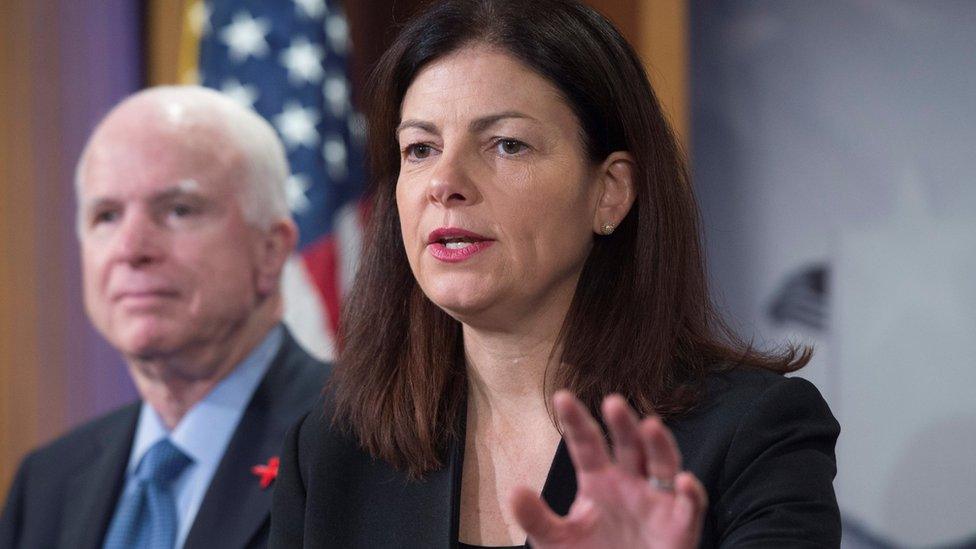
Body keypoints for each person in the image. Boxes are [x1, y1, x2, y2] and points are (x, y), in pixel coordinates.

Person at [270, 0, 840, 547]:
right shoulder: (332, 452)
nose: (445, 181)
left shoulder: (754, 435)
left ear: (609, 193)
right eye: (419, 148)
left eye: (507, 144)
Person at [0, 86, 328, 549]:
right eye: (107, 215)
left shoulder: (362, 442)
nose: (131, 249)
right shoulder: (47, 484)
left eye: (178, 210)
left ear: (271, 251)